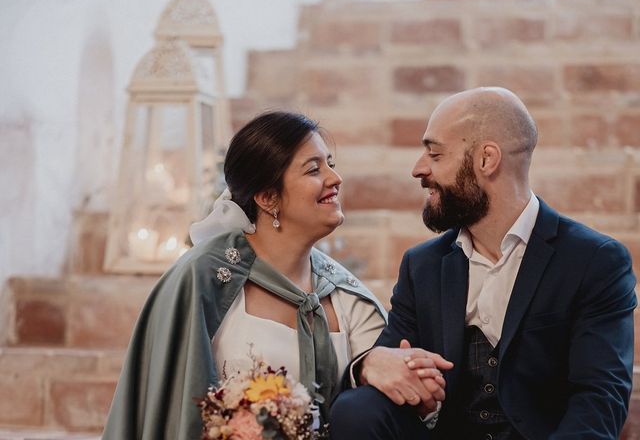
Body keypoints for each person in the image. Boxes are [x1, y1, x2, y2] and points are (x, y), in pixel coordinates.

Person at [330, 87, 637, 439]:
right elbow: (389, 359)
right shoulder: (422, 266)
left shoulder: (593, 260)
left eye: (435, 153)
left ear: (486, 160)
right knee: (357, 410)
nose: (419, 169)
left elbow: (600, 399)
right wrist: (369, 364)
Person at [102, 111, 388, 440]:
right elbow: (173, 409)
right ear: (268, 198)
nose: (334, 178)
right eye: (314, 169)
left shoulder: (347, 298)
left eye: (330, 164)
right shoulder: (201, 280)